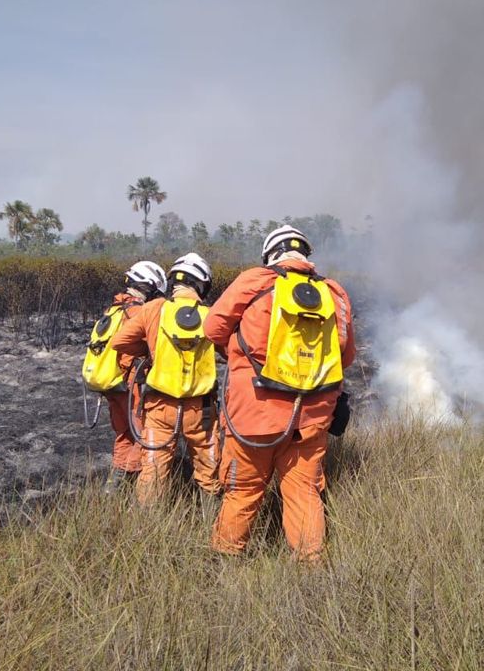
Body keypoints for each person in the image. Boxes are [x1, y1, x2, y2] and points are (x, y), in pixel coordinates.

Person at [205, 224, 355, 560]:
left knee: (243, 490)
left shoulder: (255, 280)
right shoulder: (336, 293)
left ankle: (225, 561)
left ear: (271, 254)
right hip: (311, 418)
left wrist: (236, 348)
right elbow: (345, 356)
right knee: (304, 492)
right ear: (306, 255)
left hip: (253, 414)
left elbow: (213, 327)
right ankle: (311, 568)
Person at [111, 253, 221, 504]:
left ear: (173, 283)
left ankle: (146, 530)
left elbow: (120, 342)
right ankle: (209, 528)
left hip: (159, 408)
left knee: (153, 472)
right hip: (200, 410)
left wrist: (151, 351)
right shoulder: (212, 314)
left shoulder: (154, 308)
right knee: (208, 472)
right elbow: (229, 347)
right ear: (202, 284)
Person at [99, 261, 167, 494]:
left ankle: (113, 488)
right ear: (148, 287)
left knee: (124, 434)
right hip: (132, 386)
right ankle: (136, 490)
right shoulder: (139, 311)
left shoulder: (113, 310)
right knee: (143, 435)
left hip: (112, 384)